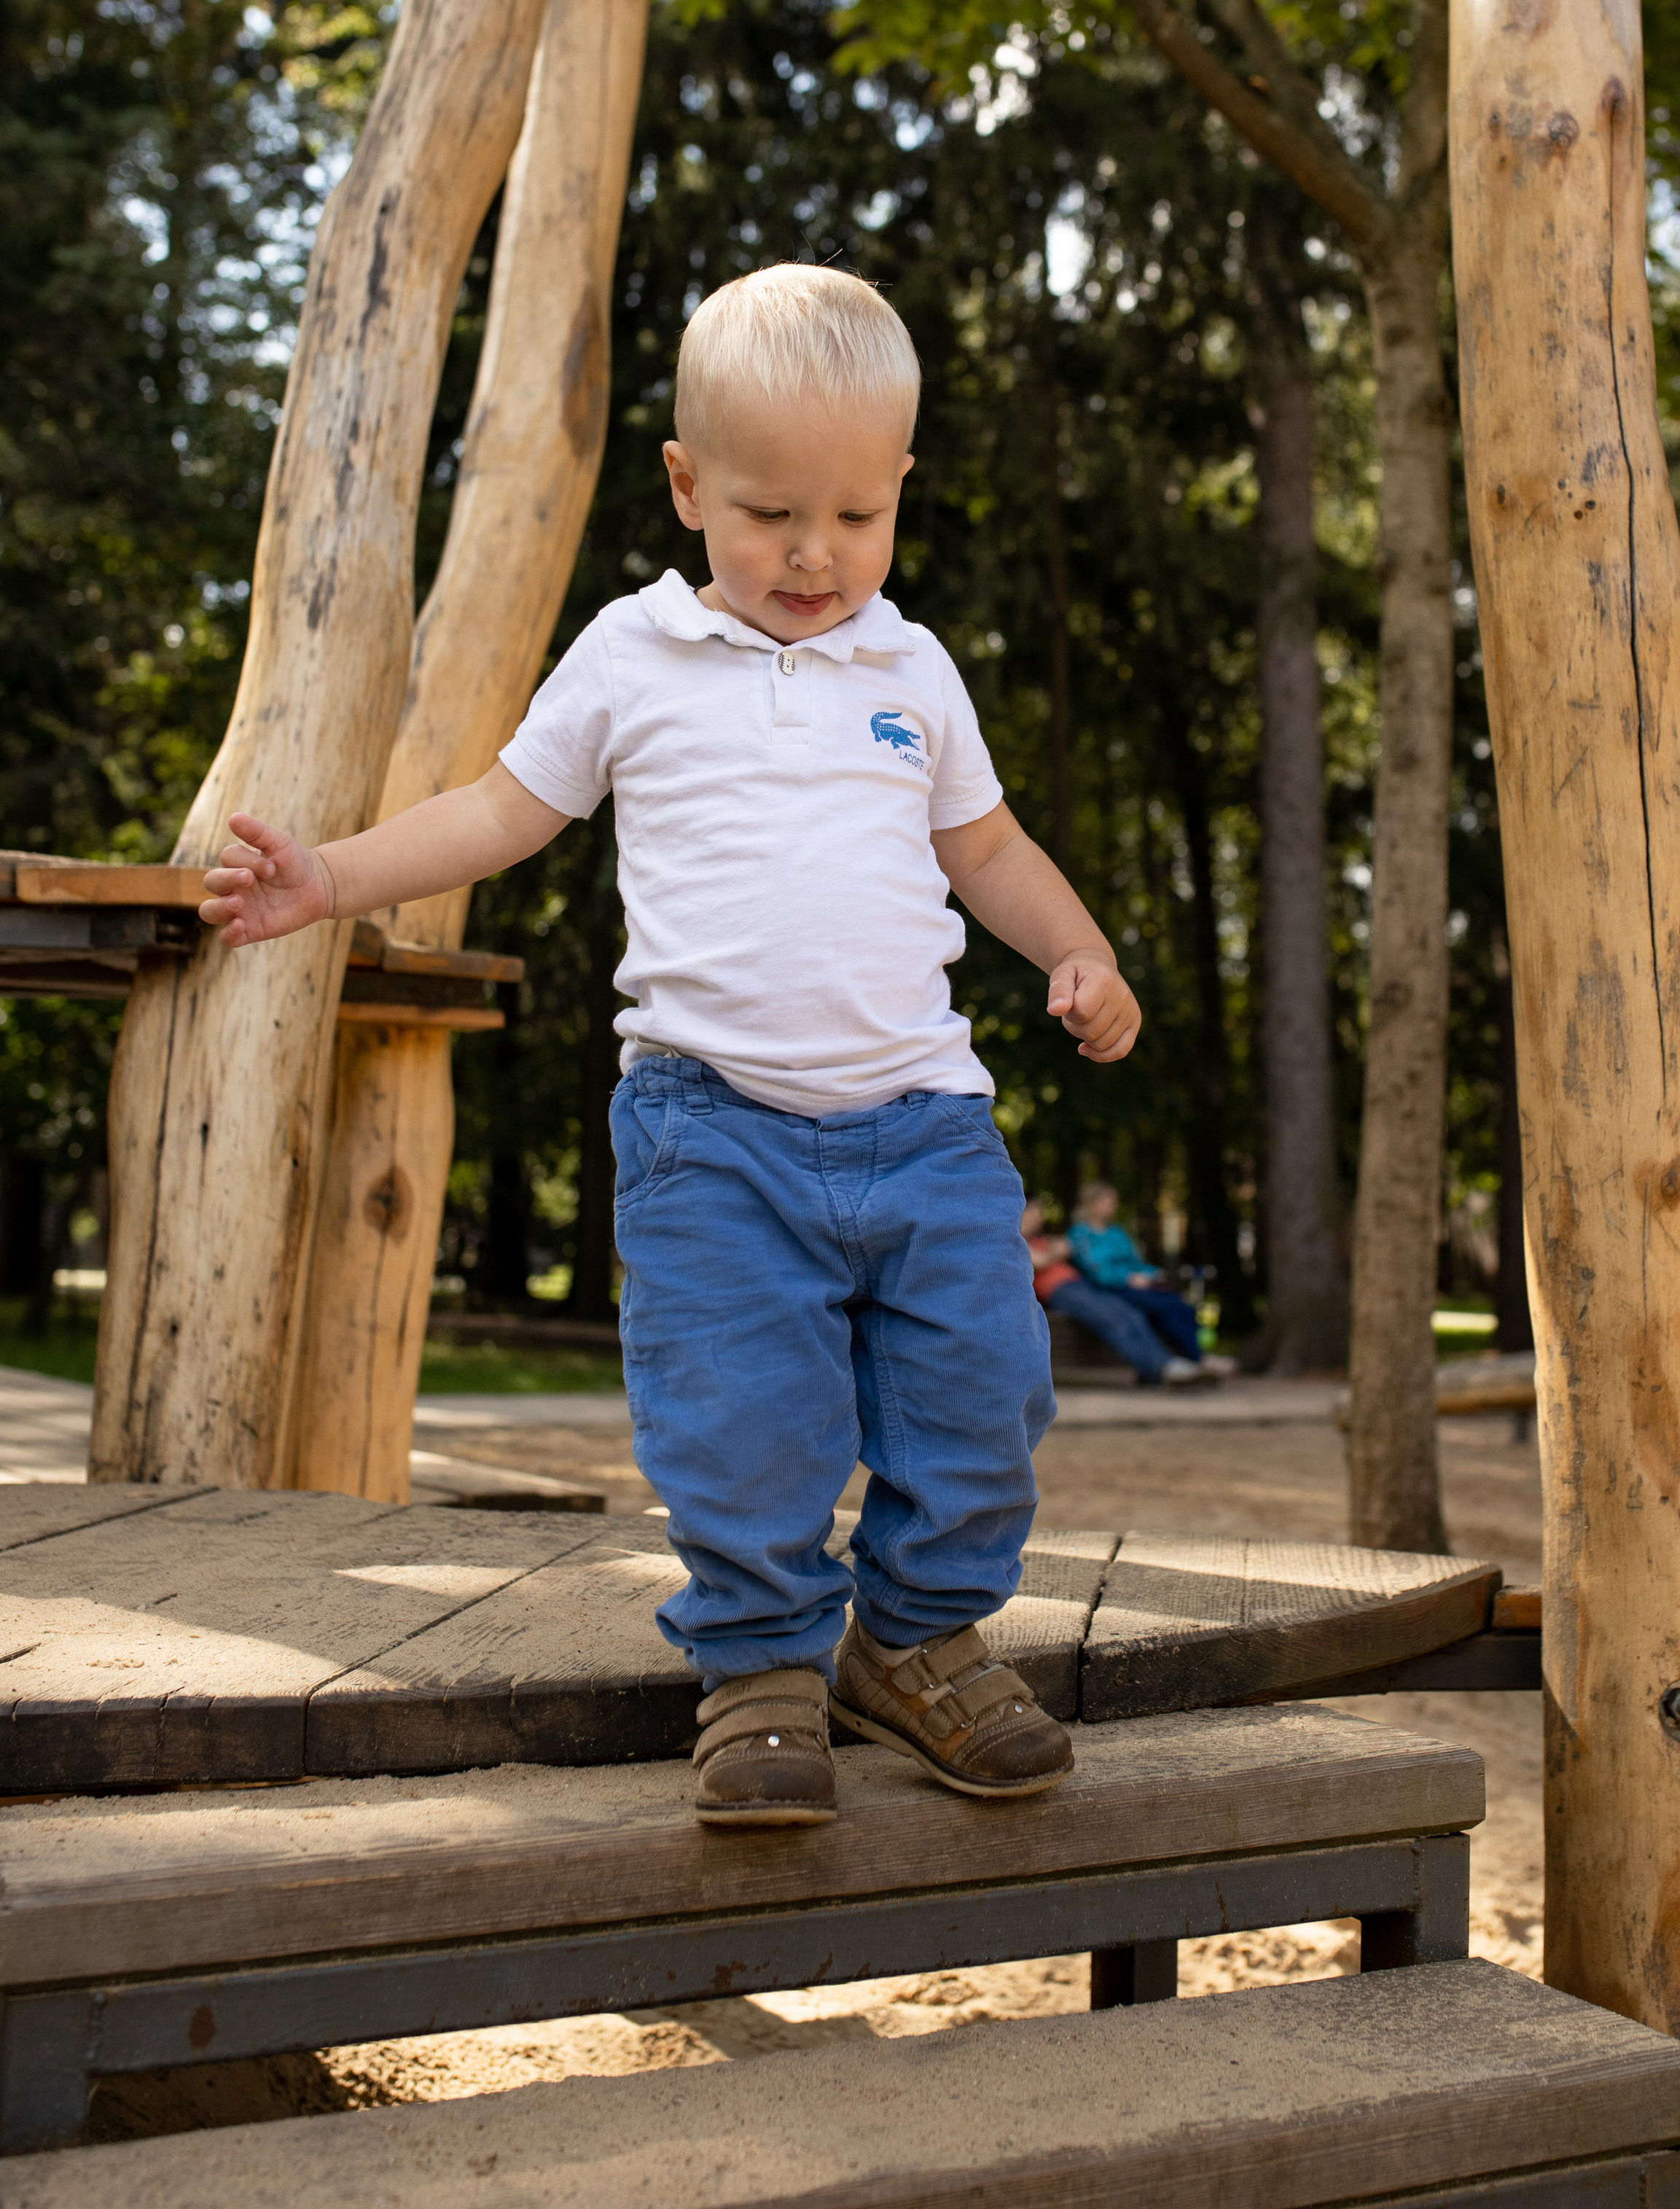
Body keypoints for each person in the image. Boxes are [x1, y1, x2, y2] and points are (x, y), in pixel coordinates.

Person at [200, 265, 1143, 1834]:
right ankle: (765, 1666)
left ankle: (911, 1642)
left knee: (983, 1393)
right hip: (710, 1132)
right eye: (772, 513)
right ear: (690, 486)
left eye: (855, 516)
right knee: (739, 1415)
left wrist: (1078, 948)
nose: (813, 555)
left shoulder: (911, 672)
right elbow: (500, 812)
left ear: (899, 490)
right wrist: (335, 878)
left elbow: (985, 850)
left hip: (921, 1126)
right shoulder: (633, 657)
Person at [1021, 1199, 1211, 1387]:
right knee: (1113, 1319)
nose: (1040, 1218)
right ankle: (1161, 1367)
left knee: (1131, 1314)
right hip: (1060, 1290)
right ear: (1022, 1213)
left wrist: (1056, 1249)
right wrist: (1056, 1250)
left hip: (1081, 1284)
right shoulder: (1017, 1241)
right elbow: (1041, 1260)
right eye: (1035, 1212)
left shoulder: (1040, 1240)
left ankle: (1164, 1366)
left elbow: (1064, 1249)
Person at [1068, 1181, 1236, 1377]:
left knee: (1177, 1305)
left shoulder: (1117, 1233)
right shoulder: (1080, 1234)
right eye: (1108, 1201)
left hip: (1138, 1285)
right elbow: (1096, 1270)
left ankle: (1194, 1361)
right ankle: (1196, 1360)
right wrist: (1129, 1278)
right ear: (1092, 1203)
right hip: (1110, 1289)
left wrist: (1153, 1274)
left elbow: (1135, 1262)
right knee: (1167, 1307)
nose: (1113, 1206)